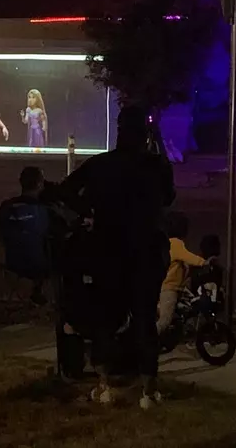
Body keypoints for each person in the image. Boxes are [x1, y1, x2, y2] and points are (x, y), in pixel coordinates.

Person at [59, 106, 175, 410]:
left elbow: (66, 190)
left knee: (106, 319)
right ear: (145, 132)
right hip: (146, 250)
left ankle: (104, 385)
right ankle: (148, 391)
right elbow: (169, 197)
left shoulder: (101, 165)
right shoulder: (155, 167)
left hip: (108, 248)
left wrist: (89, 211)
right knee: (144, 319)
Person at [0, 166, 56, 304]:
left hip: (12, 263)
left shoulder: (6, 207)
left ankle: (34, 293)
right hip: (41, 265)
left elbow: (1, 235)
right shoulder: (46, 210)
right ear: (40, 184)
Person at [157, 211, 207, 333]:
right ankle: (148, 340)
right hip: (170, 288)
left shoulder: (167, 242)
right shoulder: (175, 243)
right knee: (165, 320)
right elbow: (187, 257)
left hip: (168, 286)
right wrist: (204, 262)